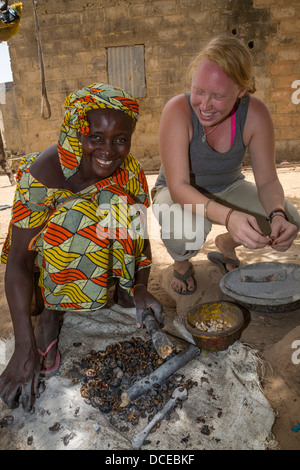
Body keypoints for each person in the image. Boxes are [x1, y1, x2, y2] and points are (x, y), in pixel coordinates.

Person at [0, 83, 163, 411]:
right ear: (77, 131)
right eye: (96, 137)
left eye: (120, 139)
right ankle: (50, 314)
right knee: (79, 215)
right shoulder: (43, 174)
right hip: (48, 267)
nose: (108, 151)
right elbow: (18, 260)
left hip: (108, 251)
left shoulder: (129, 171)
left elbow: (138, 234)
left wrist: (140, 283)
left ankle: (116, 286)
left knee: (121, 206)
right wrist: (23, 346)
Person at [152, 35, 300, 295]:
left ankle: (227, 244)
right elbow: (177, 187)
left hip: (229, 186)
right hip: (177, 190)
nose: (205, 105)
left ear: (241, 91)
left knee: (290, 219)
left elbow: (267, 181)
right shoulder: (178, 110)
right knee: (187, 232)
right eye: (199, 91)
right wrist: (229, 216)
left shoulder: (255, 114)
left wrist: (277, 213)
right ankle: (182, 262)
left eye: (218, 96)